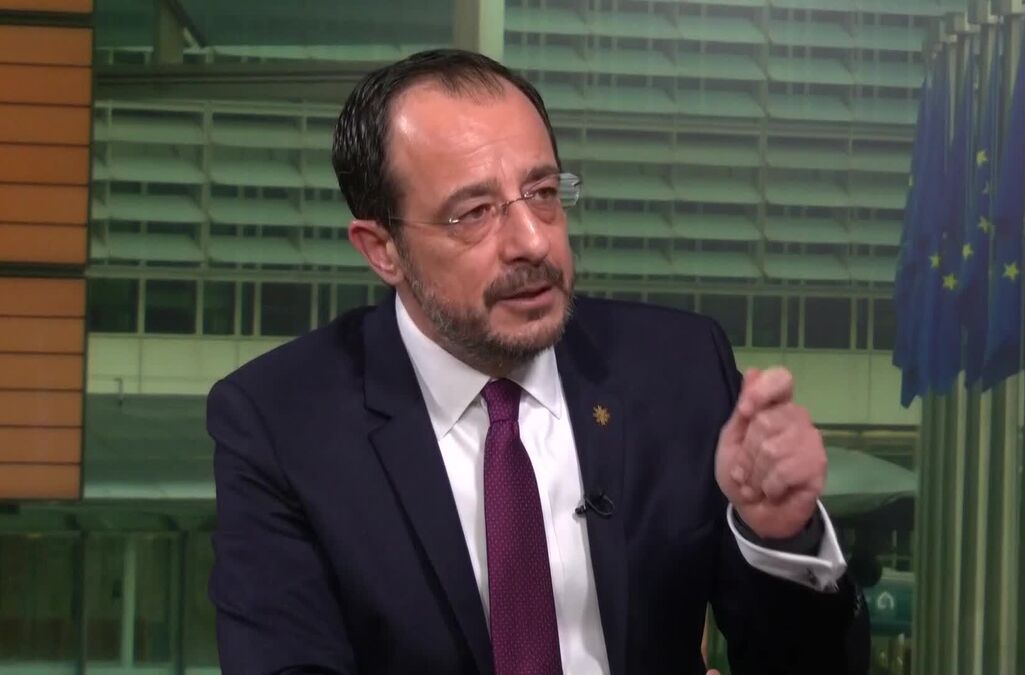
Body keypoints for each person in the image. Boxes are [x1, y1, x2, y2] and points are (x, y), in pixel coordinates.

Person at [208, 48, 869, 675]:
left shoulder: (678, 370)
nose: (532, 241)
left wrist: (779, 537)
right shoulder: (281, 421)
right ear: (382, 249)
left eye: (544, 192)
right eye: (474, 213)